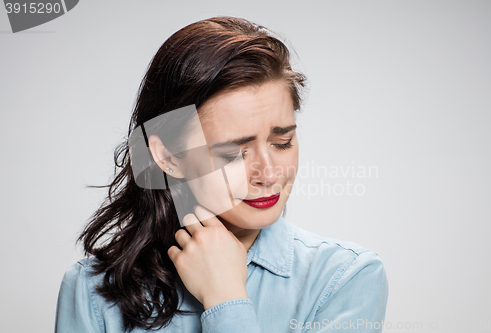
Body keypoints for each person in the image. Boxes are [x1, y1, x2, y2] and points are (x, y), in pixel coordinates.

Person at [55, 16, 388, 333]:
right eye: (233, 153)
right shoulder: (93, 292)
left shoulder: (345, 278)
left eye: (282, 142)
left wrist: (225, 298)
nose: (269, 173)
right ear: (167, 156)